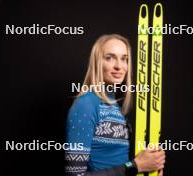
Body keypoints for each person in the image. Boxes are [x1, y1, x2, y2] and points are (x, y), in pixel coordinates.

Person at [65, 34, 165, 176]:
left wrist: (150, 167)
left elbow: (118, 166)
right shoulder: (86, 105)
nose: (119, 66)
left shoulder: (115, 106)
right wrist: (136, 166)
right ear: (97, 62)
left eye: (124, 59)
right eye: (109, 58)